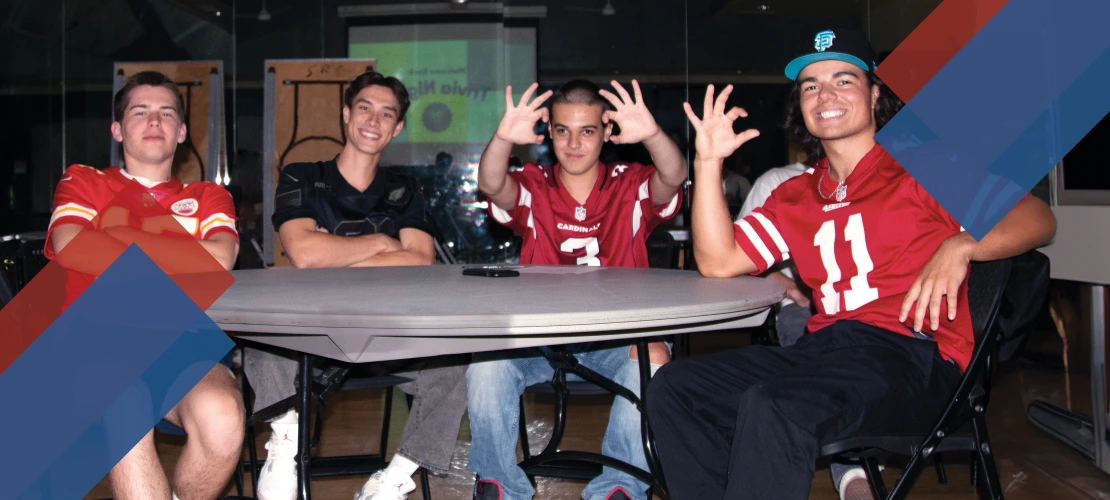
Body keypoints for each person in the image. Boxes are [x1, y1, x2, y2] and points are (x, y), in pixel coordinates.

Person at [646, 28, 1057, 500]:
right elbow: (719, 262)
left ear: (874, 93)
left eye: (844, 80)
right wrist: (708, 162)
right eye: (811, 85)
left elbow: (1037, 217)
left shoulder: (924, 166)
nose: (826, 95)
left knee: (775, 405)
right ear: (799, 103)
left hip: (913, 356)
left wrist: (960, 245)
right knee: (674, 388)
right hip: (826, 352)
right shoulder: (796, 193)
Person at [246, 71, 469, 500]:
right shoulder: (302, 176)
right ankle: (286, 446)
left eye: (388, 113)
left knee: (458, 362)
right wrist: (385, 245)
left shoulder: (405, 189)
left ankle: (396, 476)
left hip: (387, 335)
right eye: (365, 107)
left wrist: (335, 251)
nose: (374, 119)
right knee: (263, 329)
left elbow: (420, 259)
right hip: (310, 332)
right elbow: (305, 253)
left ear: (398, 128)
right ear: (346, 114)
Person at [468, 79, 686, 500]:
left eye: (587, 130)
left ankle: (618, 488)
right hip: (541, 339)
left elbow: (673, 176)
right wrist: (500, 138)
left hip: (616, 337)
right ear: (549, 132)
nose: (574, 143)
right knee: (486, 364)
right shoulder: (534, 183)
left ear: (607, 132)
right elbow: (494, 185)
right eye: (563, 129)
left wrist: (654, 135)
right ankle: (498, 485)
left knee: (655, 357)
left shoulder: (631, 183)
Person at [45, 70, 244, 500]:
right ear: (117, 130)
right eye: (140, 112)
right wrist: (181, 251)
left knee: (224, 415)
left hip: (184, 343)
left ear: (181, 132)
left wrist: (113, 242)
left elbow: (220, 259)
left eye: (166, 113)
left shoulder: (209, 195)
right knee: (124, 402)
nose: (154, 120)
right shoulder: (85, 181)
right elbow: (72, 247)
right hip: (94, 344)